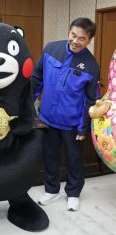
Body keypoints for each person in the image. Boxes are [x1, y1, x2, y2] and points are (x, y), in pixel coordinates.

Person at [31, 17, 100, 211]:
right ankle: (51, 189)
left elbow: (90, 100)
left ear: (89, 40)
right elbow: (36, 79)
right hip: (47, 118)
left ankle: (73, 193)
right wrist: (29, 107)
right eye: (73, 35)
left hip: (71, 124)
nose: (75, 41)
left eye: (82, 38)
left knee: (74, 159)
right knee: (50, 156)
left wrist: (83, 127)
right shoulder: (51, 49)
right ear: (69, 32)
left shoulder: (91, 65)